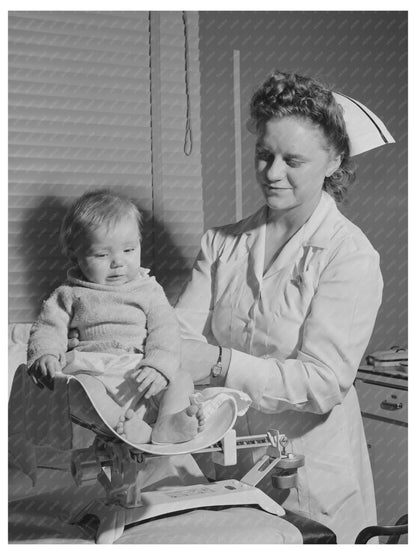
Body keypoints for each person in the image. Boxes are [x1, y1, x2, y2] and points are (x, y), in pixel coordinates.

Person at [175, 71, 387, 543]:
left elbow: (324, 382)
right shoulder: (221, 242)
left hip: (311, 476)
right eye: (264, 155)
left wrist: (219, 362)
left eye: (292, 160)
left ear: (333, 161)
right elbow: (179, 337)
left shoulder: (348, 254)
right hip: (228, 461)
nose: (271, 172)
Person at [27, 190, 207, 446]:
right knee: (79, 388)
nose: (118, 262)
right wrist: (45, 354)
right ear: (74, 254)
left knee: (180, 378)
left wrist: (158, 365)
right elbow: (48, 328)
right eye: (102, 255)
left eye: (129, 249)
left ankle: (167, 424)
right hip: (94, 370)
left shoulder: (149, 290)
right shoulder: (69, 294)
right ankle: (123, 425)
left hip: (139, 372)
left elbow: (165, 329)